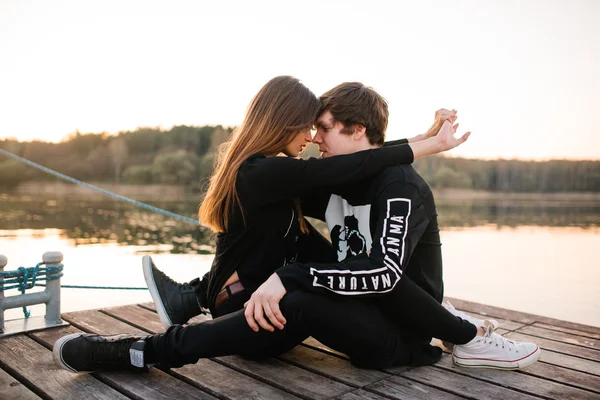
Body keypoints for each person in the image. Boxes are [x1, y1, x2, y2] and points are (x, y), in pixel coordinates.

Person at [52, 77, 535, 373]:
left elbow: (384, 276)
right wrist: (246, 280)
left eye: (323, 128)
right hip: (355, 307)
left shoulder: (399, 188)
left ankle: (138, 351)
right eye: (310, 128)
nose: (313, 138)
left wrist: (286, 278)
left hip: (397, 330)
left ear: (358, 131)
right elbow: (318, 182)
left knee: (302, 293)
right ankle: (200, 296)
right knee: (289, 237)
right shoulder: (322, 183)